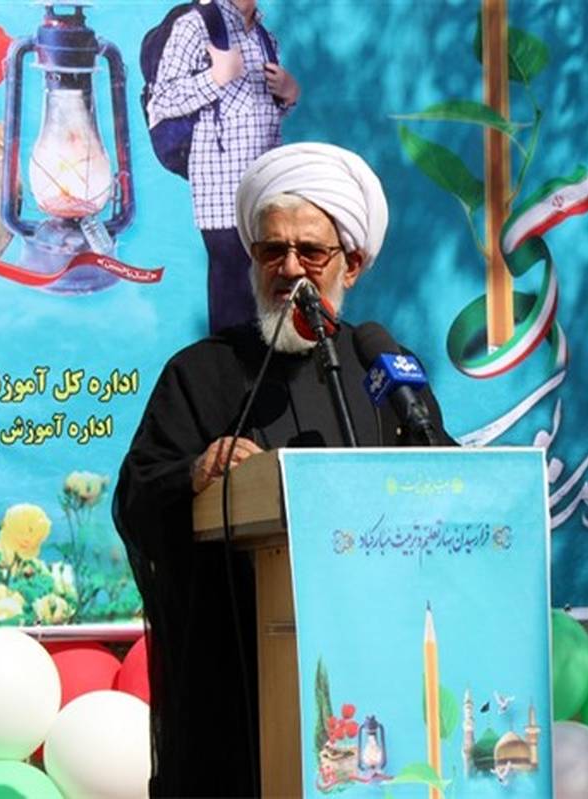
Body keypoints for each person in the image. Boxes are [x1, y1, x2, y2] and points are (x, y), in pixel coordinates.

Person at [112, 143, 454, 797]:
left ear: (352, 264)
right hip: (238, 692)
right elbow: (136, 496)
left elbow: (443, 476)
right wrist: (196, 473)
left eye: (311, 252)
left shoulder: (382, 370)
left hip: (375, 679)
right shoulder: (203, 373)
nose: (290, 268)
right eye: (272, 250)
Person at [147, 0, 301, 335]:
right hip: (221, 193)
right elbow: (163, 99)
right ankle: (226, 368)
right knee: (231, 304)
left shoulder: (264, 37)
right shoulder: (195, 26)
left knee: (266, 299)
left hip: (266, 193)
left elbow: (259, 114)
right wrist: (214, 78)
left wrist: (288, 96)